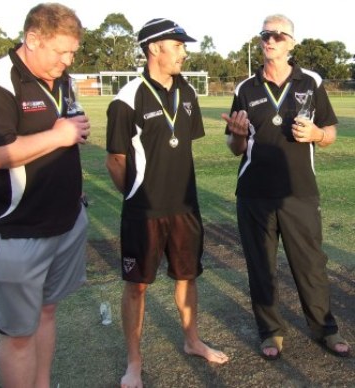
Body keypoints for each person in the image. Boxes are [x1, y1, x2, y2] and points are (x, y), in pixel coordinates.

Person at [106, 18, 229, 388]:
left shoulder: (187, 92)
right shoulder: (126, 98)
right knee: (137, 285)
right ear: (154, 48)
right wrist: (137, 195)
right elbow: (115, 159)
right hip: (144, 211)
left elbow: (181, 143)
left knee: (187, 276)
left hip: (185, 207)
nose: (184, 51)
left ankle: (192, 342)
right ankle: (134, 362)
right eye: (177, 45)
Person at [222, 14, 351, 361]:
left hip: (300, 191)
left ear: (292, 43)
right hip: (254, 194)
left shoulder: (310, 82)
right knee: (261, 266)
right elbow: (236, 148)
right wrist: (235, 135)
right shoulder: (245, 89)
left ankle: (325, 328)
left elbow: (331, 133)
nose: (271, 39)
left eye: (279, 35)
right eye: (265, 34)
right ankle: (270, 331)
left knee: (311, 264)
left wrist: (317, 135)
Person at [0, 3, 90, 387]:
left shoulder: (62, 78)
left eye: (72, 52)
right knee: (19, 334)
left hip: (65, 223)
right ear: (32, 39)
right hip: (20, 231)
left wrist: (72, 130)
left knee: (47, 312)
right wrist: (58, 136)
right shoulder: (1, 81)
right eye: (61, 51)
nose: (67, 61)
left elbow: (69, 126)